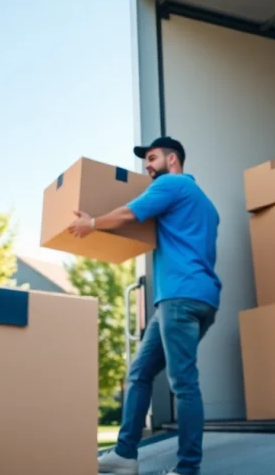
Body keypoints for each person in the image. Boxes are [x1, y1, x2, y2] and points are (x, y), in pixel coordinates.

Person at [69, 136, 221, 475]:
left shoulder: (172, 184)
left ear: (172, 160)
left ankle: (188, 469)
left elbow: (129, 214)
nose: (147, 166)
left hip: (179, 299)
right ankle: (125, 455)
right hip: (197, 299)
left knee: (183, 383)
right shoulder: (207, 205)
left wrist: (91, 223)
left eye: (152, 158)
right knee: (139, 373)